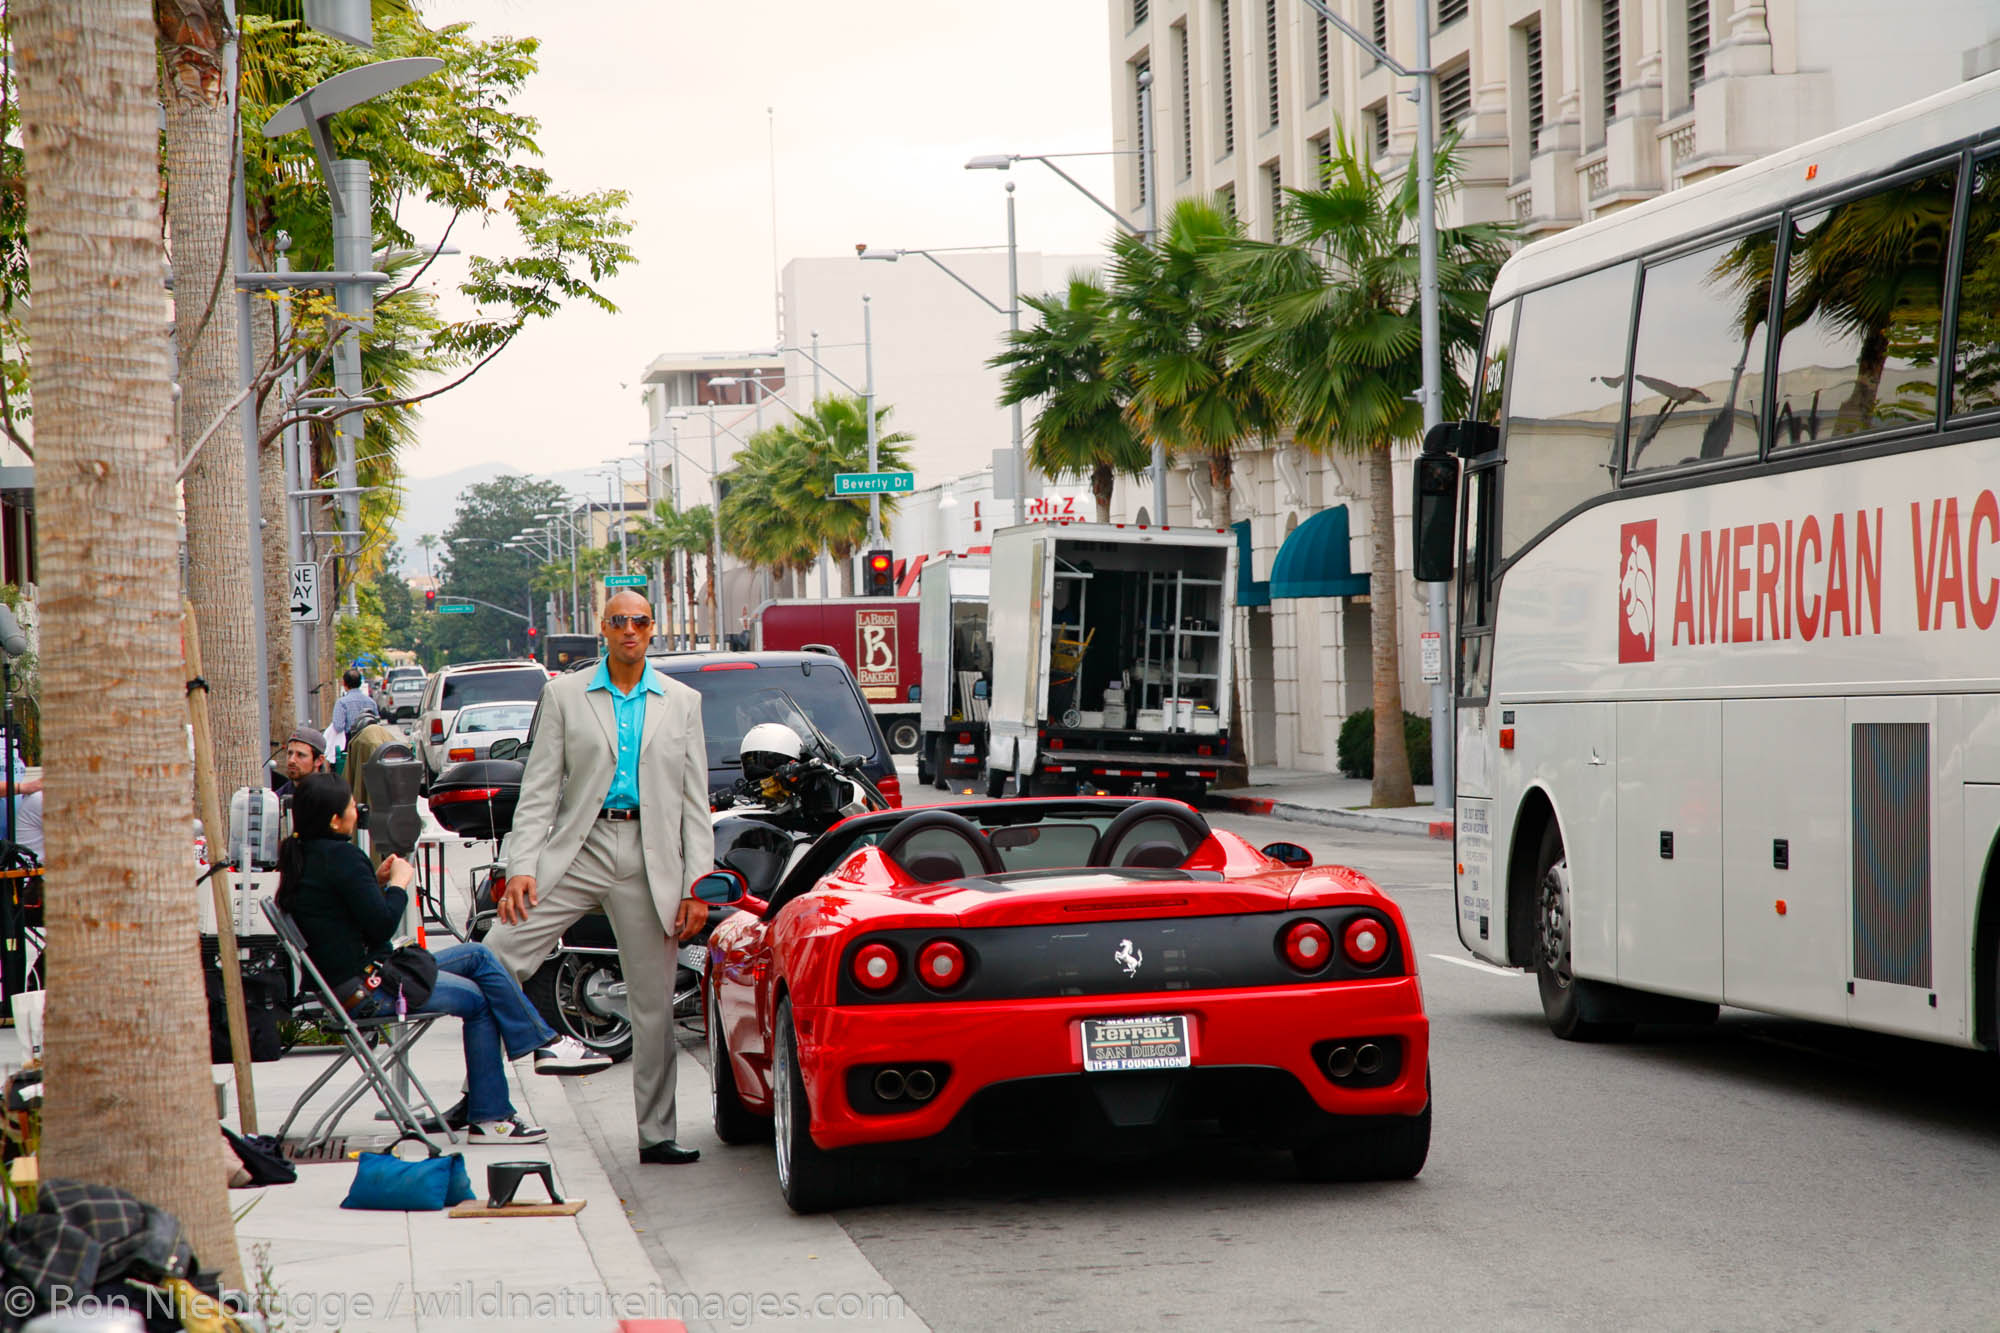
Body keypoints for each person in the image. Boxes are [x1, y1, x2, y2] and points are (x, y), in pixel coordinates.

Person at [490, 590, 714, 1165]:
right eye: (619, 621)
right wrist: (521, 866)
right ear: (604, 629)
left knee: (653, 1005)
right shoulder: (565, 695)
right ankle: (484, 1099)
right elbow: (539, 790)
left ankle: (656, 1134)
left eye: (640, 620)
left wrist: (698, 886)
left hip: (650, 857)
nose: (630, 630)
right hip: (580, 849)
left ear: (652, 627)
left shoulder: (682, 702)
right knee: (496, 956)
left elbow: (695, 805)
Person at [275, 772, 609, 1144]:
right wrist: (399, 885)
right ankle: (492, 1114)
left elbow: (339, 915)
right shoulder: (342, 858)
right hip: (371, 988)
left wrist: (377, 883)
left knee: (479, 955)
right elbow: (381, 927)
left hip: (350, 983)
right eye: (351, 805)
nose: (358, 810)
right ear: (335, 820)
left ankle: (542, 1046)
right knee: (481, 1001)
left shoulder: (302, 857)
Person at [273, 725, 330, 799]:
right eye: (290, 753)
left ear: (319, 760)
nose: (291, 760)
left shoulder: (331, 797)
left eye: (300, 755)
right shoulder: (278, 797)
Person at [327, 668, 375, 750]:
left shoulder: (342, 703)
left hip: (349, 742)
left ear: (344, 683)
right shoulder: (371, 702)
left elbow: (338, 726)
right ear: (360, 683)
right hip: (369, 742)